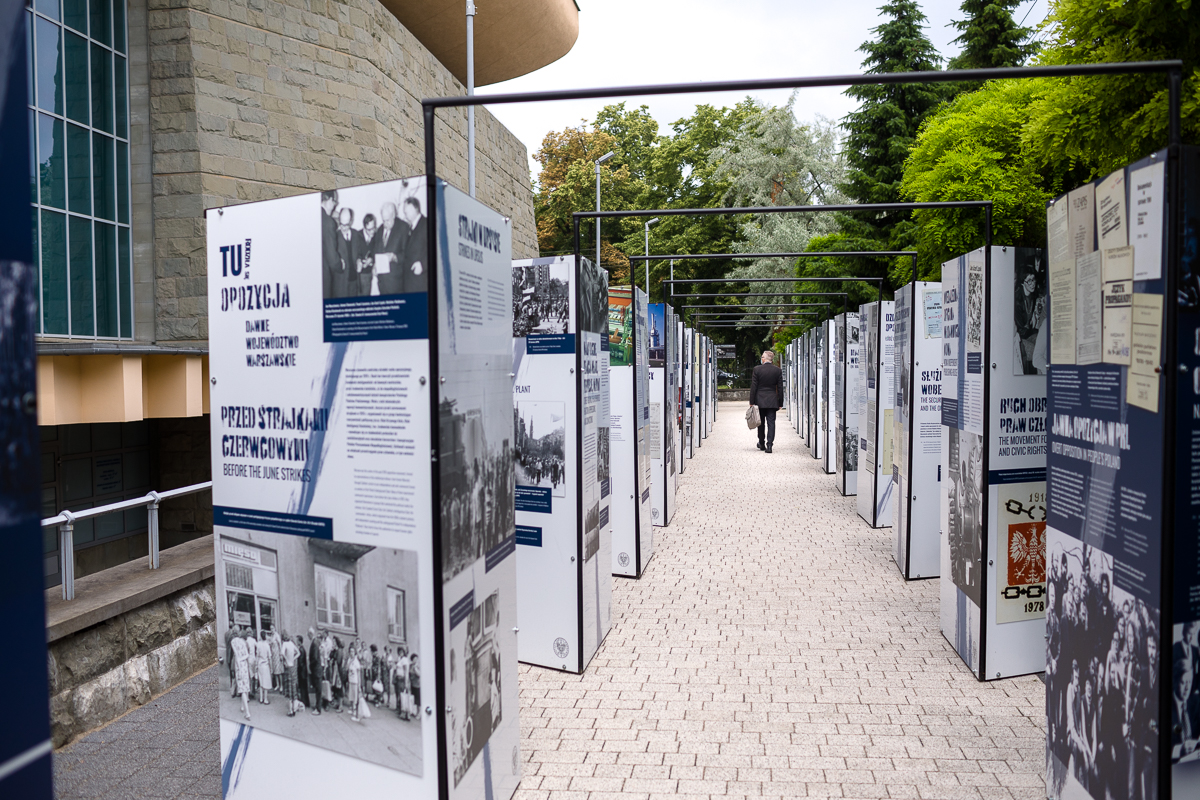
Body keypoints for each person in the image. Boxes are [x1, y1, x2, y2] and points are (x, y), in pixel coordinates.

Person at [749, 350, 783, 453]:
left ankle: (761, 443)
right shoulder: (777, 370)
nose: (761, 358)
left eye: (762, 357)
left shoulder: (757, 369)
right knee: (771, 423)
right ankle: (769, 445)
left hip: (760, 400)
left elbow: (754, 387)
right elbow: (780, 388)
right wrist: (780, 403)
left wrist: (751, 401)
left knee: (760, 423)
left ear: (764, 359)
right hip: (772, 400)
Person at [374, 202, 409, 296]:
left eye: (388, 220)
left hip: (396, 284)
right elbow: (376, 251)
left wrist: (394, 257)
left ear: (393, 215)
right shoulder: (380, 229)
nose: (385, 224)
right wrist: (374, 265)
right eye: (383, 220)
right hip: (382, 284)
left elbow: (408, 255)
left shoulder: (403, 228)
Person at [400, 196, 427, 293]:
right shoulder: (409, 228)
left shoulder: (426, 224)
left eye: (406, 210)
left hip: (420, 283)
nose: (404, 213)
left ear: (415, 209)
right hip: (409, 284)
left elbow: (437, 249)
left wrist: (423, 265)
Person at [320, 190, 340, 298]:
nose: (334, 206)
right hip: (323, 277)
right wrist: (340, 264)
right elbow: (332, 259)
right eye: (334, 202)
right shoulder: (328, 222)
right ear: (330, 200)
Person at [230, 630, 252, 721]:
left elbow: (236, 654)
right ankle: (242, 707)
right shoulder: (243, 641)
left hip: (239, 666)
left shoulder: (233, 642)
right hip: (245, 666)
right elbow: (247, 655)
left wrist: (238, 664)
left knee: (242, 690)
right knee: (245, 687)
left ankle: (247, 713)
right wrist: (243, 660)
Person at [280, 634, 301, 717]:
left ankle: (290, 710)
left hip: (288, 667)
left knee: (289, 688)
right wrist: (293, 658)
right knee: (293, 687)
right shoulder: (292, 644)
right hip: (292, 666)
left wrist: (285, 659)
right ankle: (294, 708)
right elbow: (298, 653)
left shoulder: (284, 644)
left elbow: (281, 653)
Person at [308, 628, 323, 716]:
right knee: (318, 689)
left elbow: (315, 658)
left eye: (308, 635)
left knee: (318, 690)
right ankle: (317, 706)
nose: (308, 636)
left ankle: (318, 708)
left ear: (311, 634)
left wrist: (310, 665)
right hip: (317, 669)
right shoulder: (315, 642)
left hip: (316, 669)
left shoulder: (314, 643)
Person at [256, 631, 273, 706]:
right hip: (265, 665)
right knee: (266, 682)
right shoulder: (267, 645)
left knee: (261, 682)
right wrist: (271, 667)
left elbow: (257, 656)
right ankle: (265, 699)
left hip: (260, 664)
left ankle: (261, 698)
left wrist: (256, 665)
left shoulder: (258, 644)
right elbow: (270, 657)